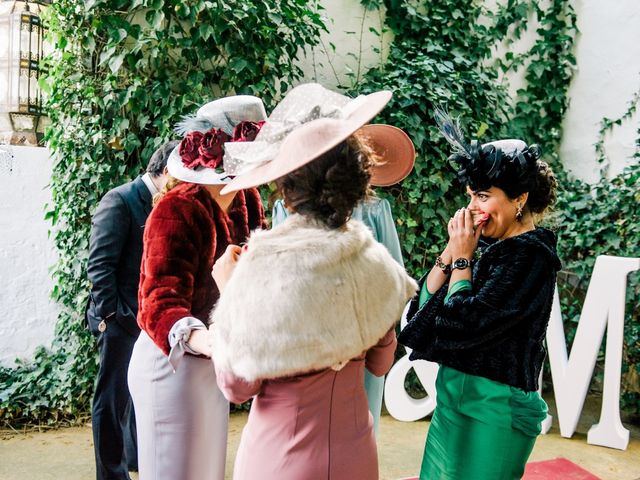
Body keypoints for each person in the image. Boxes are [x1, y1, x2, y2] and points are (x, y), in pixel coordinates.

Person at [207, 83, 418, 480]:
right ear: (357, 185)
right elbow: (381, 362)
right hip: (354, 453)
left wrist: (229, 289)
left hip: (281, 456)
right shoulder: (375, 261)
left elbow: (237, 385)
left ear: (287, 191)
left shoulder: (261, 267)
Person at [398, 110, 561, 480]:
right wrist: (451, 252)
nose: (472, 207)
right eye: (471, 195)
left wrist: (463, 258)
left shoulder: (532, 256)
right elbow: (421, 314)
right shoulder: (487, 252)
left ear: (519, 199)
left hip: (494, 414)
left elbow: (462, 323)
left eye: (483, 196)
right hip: (452, 405)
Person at [127, 96, 267, 480]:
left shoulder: (248, 200)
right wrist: (212, 342)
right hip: (170, 363)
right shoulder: (176, 208)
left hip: (215, 364)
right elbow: (157, 302)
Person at [271, 123, 415, 433]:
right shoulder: (285, 209)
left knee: (359, 418)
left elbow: (394, 276)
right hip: (307, 334)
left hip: (363, 332)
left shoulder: (377, 208)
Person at [86, 140, 174, 480]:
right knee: (111, 402)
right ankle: (112, 475)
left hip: (148, 321)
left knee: (139, 397)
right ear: (167, 171)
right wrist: (114, 319)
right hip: (121, 321)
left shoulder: (166, 203)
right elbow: (99, 267)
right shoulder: (120, 200)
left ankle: (136, 460)